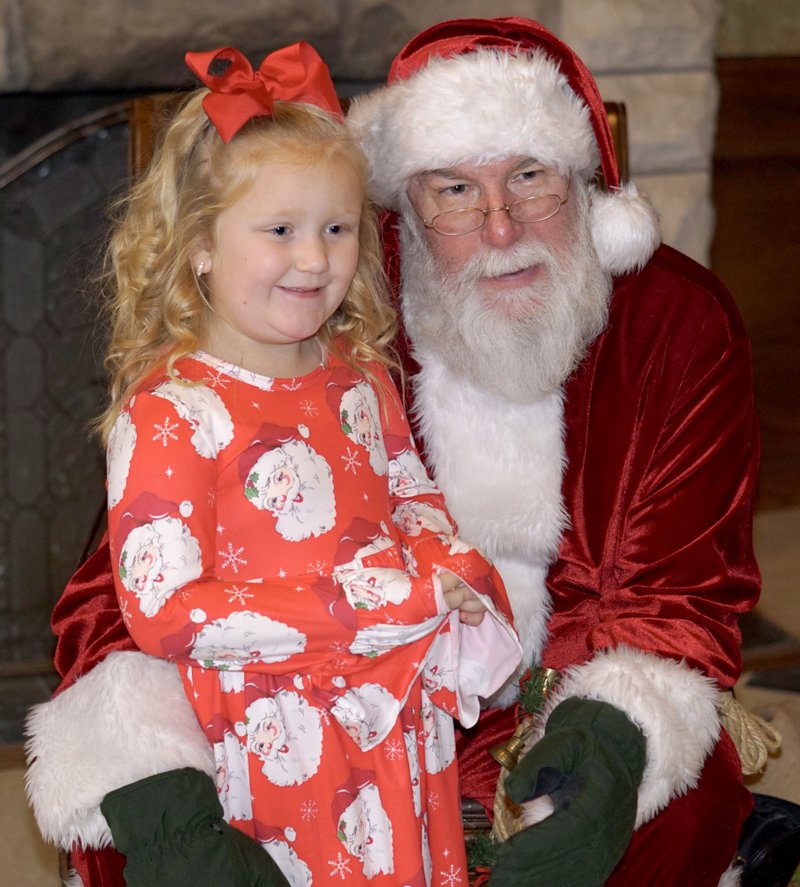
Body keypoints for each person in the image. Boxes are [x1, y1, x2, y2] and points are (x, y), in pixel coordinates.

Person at [26, 17, 761, 887]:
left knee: (678, 804)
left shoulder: (671, 319)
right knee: (137, 827)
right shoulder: (317, 303)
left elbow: (680, 595)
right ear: (404, 208)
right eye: (454, 188)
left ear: (585, 180)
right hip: (278, 700)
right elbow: (123, 592)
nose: (499, 226)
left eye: (530, 177)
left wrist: (599, 743)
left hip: (532, 693)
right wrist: (170, 803)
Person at [25, 40, 522, 887]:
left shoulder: (359, 373)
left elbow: (411, 494)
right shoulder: (173, 411)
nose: (314, 258)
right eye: (280, 230)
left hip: (392, 715)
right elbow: (166, 613)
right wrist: (379, 604)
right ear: (200, 245)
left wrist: (449, 571)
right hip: (271, 739)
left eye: (336, 228)